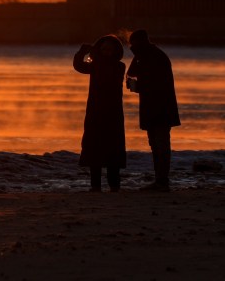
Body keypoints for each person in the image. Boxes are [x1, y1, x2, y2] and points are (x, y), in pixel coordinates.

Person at [126, 29, 180, 191]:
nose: (132, 47)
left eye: (133, 44)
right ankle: (160, 180)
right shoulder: (147, 55)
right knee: (156, 144)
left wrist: (138, 86)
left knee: (160, 145)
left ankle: (162, 181)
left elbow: (156, 83)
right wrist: (137, 54)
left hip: (160, 108)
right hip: (155, 107)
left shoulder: (154, 56)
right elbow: (132, 72)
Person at [73, 35, 127, 192]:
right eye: (103, 49)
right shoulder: (97, 65)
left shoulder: (118, 66)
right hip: (95, 112)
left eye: (109, 50)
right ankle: (95, 185)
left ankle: (114, 185)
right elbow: (78, 66)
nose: (106, 52)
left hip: (112, 113)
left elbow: (81, 66)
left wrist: (86, 52)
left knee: (112, 149)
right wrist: (83, 51)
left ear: (116, 51)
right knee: (94, 148)